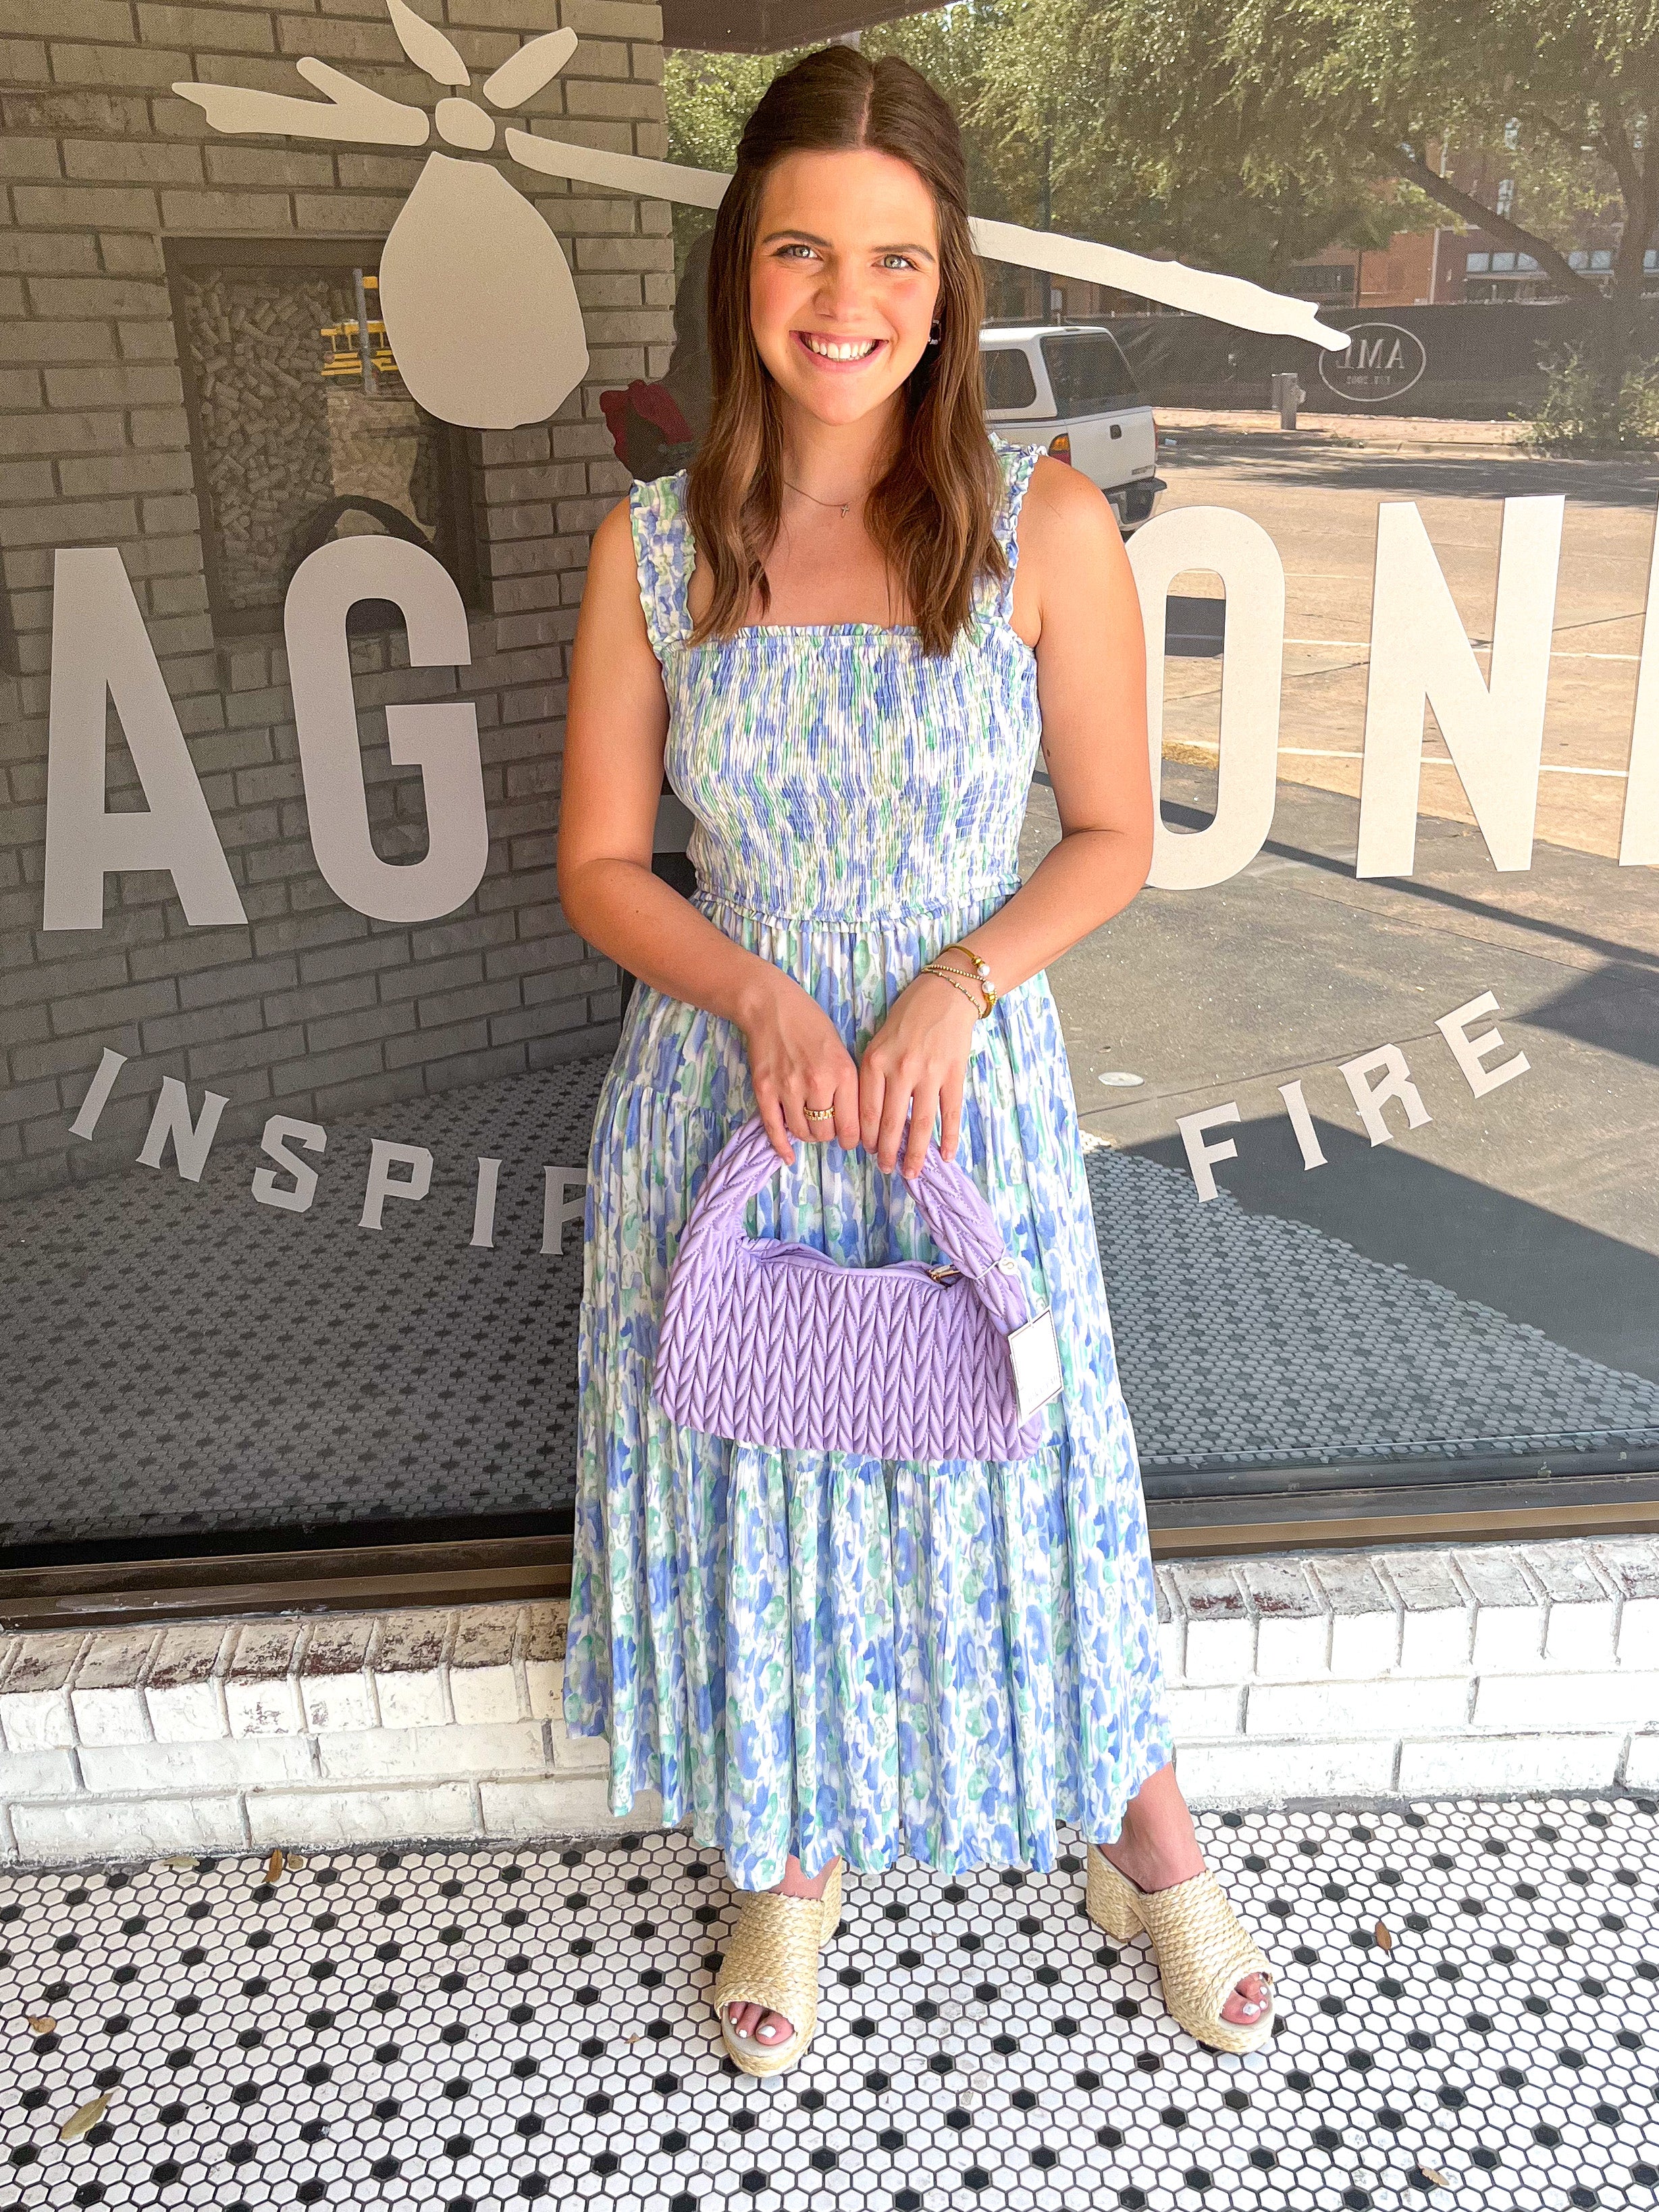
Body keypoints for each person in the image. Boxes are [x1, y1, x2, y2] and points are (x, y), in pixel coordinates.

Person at [556, 43, 1274, 2076]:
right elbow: (601, 864)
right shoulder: (651, 544)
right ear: (741, 269)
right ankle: (786, 1857)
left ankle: (1150, 1845)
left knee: (1035, 1477)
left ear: (946, 283)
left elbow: (1116, 835)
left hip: (967, 1096)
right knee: (767, 1462)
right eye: (800, 247)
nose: (843, 300)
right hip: (735, 1092)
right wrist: (762, 995)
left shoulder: (1045, 522)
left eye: (891, 257)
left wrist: (953, 983)